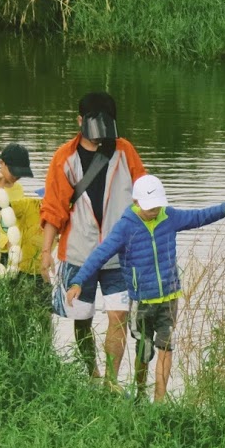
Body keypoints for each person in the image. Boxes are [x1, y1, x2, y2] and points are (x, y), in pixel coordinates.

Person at [64, 174, 225, 401]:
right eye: (149, 207)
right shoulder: (126, 227)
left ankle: (159, 402)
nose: (154, 210)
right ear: (136, 203)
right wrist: (78, 281)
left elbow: (198, 216)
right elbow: (100, 254)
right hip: (142, 301)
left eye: (157, 205)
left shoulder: (169, 217)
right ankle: (140, 393)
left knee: (166, 347)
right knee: (144, 351)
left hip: (169, 298)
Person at [40, 92, 147, 387]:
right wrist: (46, 251)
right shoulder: (64, 158)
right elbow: (53, 208)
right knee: (81, 316)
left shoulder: (125, 151)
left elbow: (144, 195)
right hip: (79, 254)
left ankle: (112, 383)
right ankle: (92, 375)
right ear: (79, 121)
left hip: (119, 255)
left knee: (119, 316)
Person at [0, 143, 48, 301]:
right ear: (1, 164)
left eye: (20, 173)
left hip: (11, 253)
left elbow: (16, 220)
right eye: (14, 171)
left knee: (13, 298)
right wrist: (5, 241)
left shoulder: (18, 189)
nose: (16, 176)